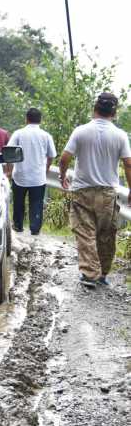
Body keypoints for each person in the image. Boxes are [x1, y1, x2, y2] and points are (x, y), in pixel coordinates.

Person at [59, 93, 131, 288]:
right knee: (106, 234)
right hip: (107, 193)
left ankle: (90, 273)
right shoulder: (120, 135)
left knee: (85, 233)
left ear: (95, 108)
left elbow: (65, 158)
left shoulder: (81, 131)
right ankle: (103, 274)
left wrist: (63, 175)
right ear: (114, 112)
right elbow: (128, 164)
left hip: (83, 191)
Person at [8, 108, 57, 235]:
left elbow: (9, 151)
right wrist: (46, 168)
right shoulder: (46, 136)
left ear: (26, 119)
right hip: (38, 177)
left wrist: (10, 170)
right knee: (36, 203)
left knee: (18, 202)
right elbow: (51, 155)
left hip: (20, 175)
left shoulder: (18, 133)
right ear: (40, 120)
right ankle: (35, 229)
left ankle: (18, 226)